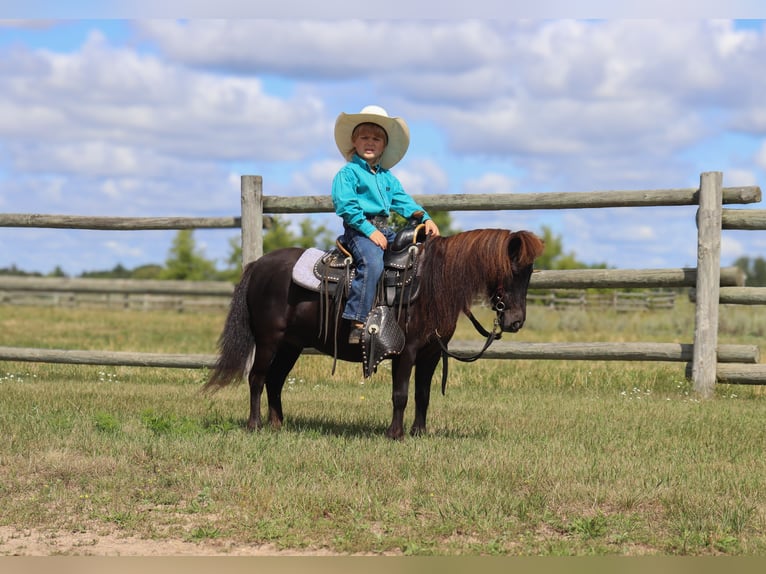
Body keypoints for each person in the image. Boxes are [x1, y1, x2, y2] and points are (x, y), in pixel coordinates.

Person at [331, 105, 440, 344]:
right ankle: (357, 321)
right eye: (365, 137)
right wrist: (369, 231)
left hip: (384, 230)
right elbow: (347, 207)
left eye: (376, 139)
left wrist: (425, 218)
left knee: (417, 256)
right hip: (359, 230)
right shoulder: (347, 174)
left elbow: (404, 201)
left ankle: (411, 316)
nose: (370, 142)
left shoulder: (387, 177)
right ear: (354, 142)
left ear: (384, 145)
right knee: (371, 263)